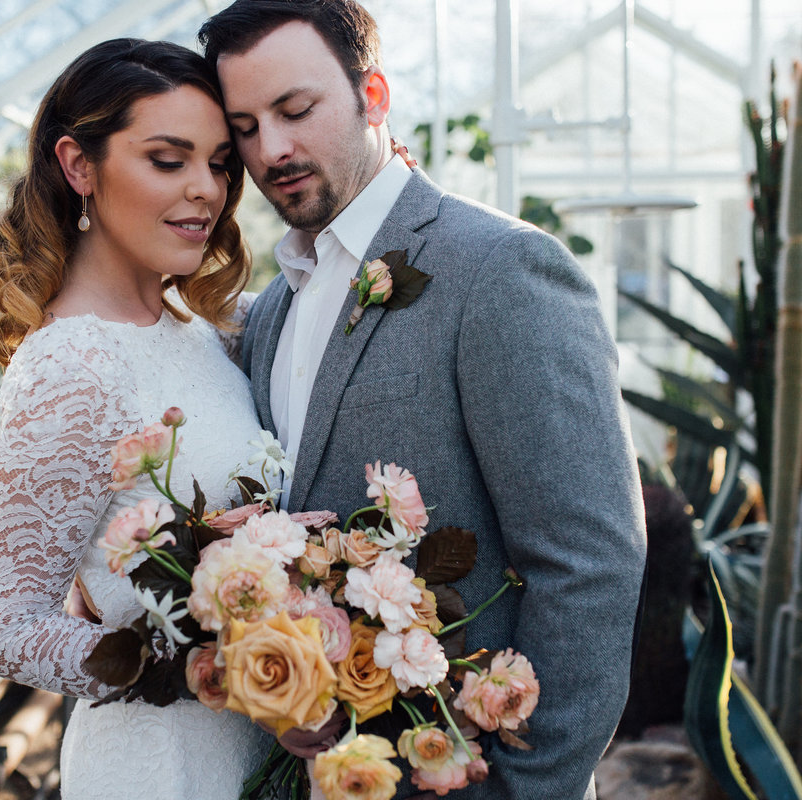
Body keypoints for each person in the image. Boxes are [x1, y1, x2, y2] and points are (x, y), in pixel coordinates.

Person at [197, 2, 648, 798]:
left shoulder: (501, 270)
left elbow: (589, 563)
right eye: (245, 125)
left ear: (374, 96)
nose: (272, 149)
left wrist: (524, 790)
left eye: (296, 110)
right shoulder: (268, 310)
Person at [0, 38, 267, 800]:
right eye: (169, 160)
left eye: (221, 162)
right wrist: (192, 666)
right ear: (79, 167)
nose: (207, 189)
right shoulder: (71, 367)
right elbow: (5, 626)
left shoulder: (201, 332)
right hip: (159, 764)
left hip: (256, 749)